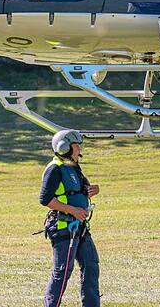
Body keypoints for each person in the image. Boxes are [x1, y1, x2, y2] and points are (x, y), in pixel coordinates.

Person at [40, 129, 101, 307]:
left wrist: (93, 190)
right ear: (64, 147)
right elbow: (45, 199)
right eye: (76, 146)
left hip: (80, 227)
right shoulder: (55, 169)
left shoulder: (73, 167)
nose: (79, 150)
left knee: (91, 266)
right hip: (63, 227)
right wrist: (73, 210)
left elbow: (80, 189)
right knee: (63, 271)